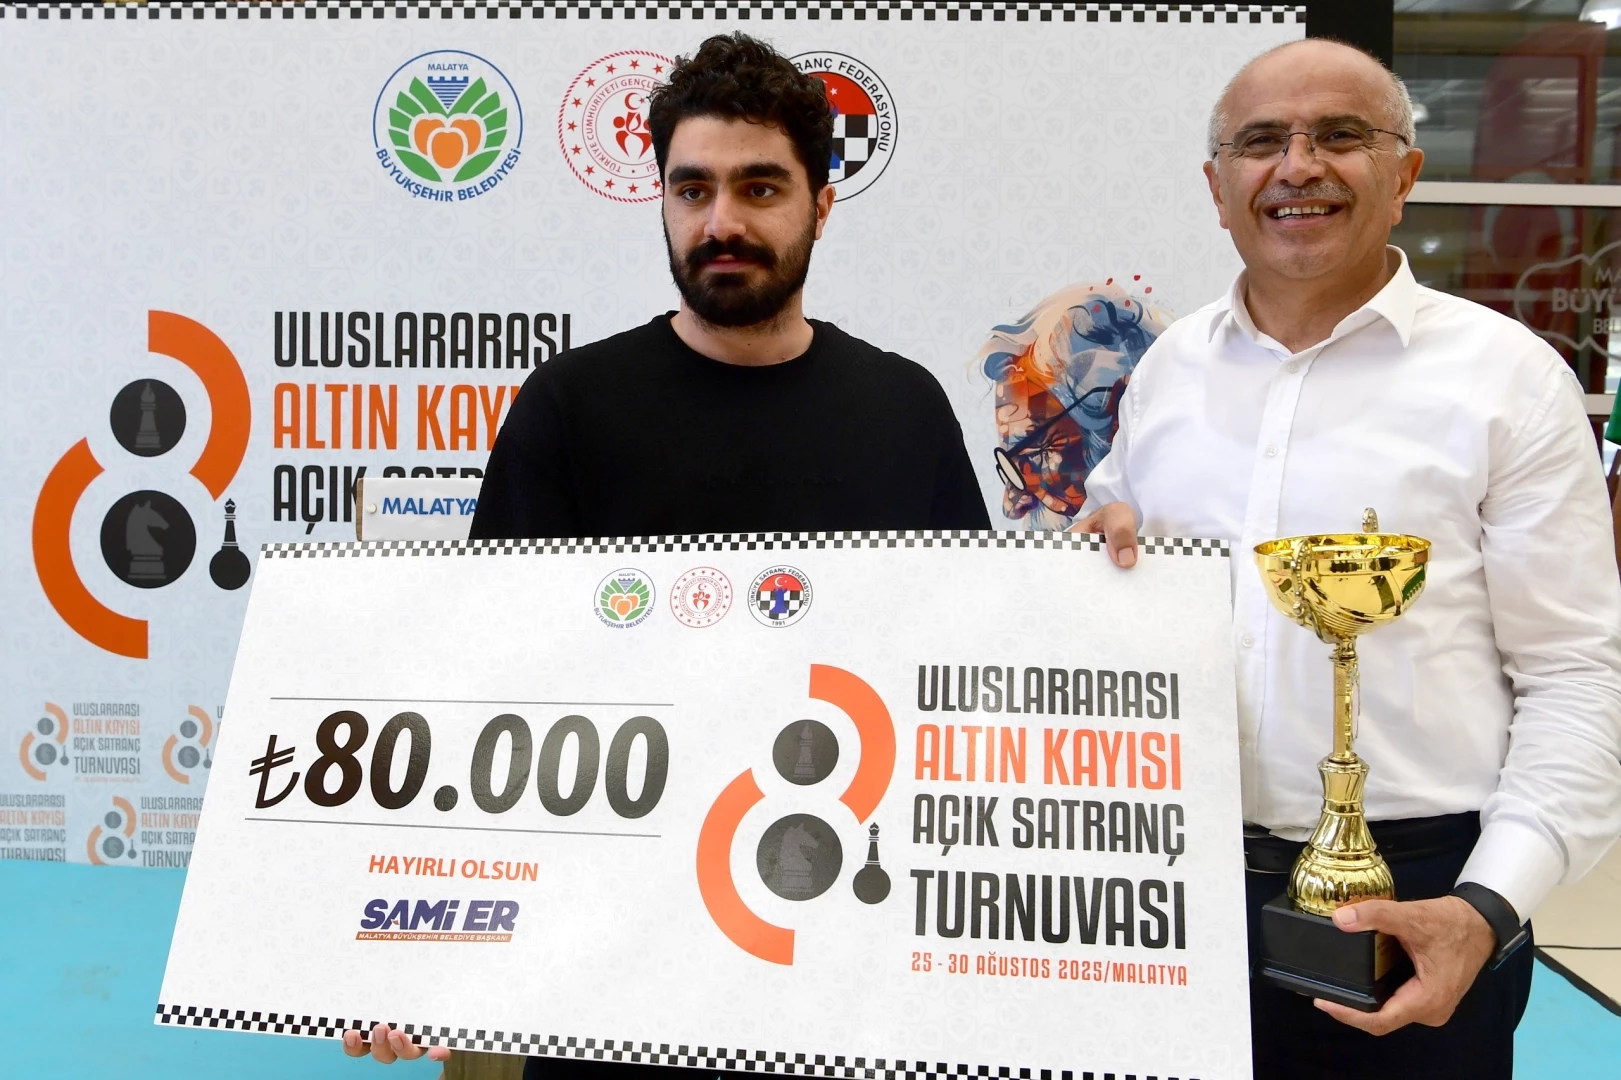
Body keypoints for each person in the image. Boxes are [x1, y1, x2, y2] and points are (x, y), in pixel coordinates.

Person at [341, 31, 989, 1074]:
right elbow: (481, 687)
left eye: (759, 187)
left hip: (845, 965)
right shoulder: (570, 406)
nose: (720, 221)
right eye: (692, 190)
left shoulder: (904, 408)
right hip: (607, 968)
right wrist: (420, 951)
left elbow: (975, 679)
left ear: (823, 204)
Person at [1076, 38, 1621, 1080]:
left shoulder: (1507, 380)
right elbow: (1115, 533)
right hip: (1168, 882)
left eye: (1339, 135)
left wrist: (1486, 905)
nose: (1298, 166)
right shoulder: (1169, 371)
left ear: (1403, 175)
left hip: (1423, 895)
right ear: (1217, 189)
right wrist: (1092, 563)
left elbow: (1574, 675)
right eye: (1260, 142)